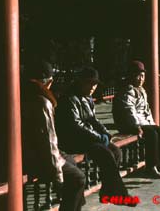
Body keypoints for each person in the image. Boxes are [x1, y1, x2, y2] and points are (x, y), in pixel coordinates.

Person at [55, 67, 136, 207]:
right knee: (103, 152)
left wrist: (105, 133)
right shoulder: (70, 98)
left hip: (86, 137)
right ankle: (120, 194)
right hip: (71, 139)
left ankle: (107, 191)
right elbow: (76, 125)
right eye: (90, 83)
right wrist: (98, 137)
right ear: (81, 82)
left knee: (116, 151)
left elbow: (93, 120)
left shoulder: (87, 98)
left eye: (95, 84)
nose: (93, 87)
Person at [22, 61, 85, 211]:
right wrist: (58, 176)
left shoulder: (24, 94)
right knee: (78, 178)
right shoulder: (43, 101)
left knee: (71, 161)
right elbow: (48, 140)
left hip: (28, 153)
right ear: (49, 82)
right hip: (38, 158)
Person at [113, 61, 160, 179]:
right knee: (152, 134)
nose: (141, 79)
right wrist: (137, 125)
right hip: (128, 123)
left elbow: (147, 111)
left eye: (143, 76)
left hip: (141, 122)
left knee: (158, 130)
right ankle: (151, 167)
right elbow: (128, 111)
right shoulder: (127, 90)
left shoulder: (141, 90)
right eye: (138, 75)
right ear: (131, 75)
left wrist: (152, 123)